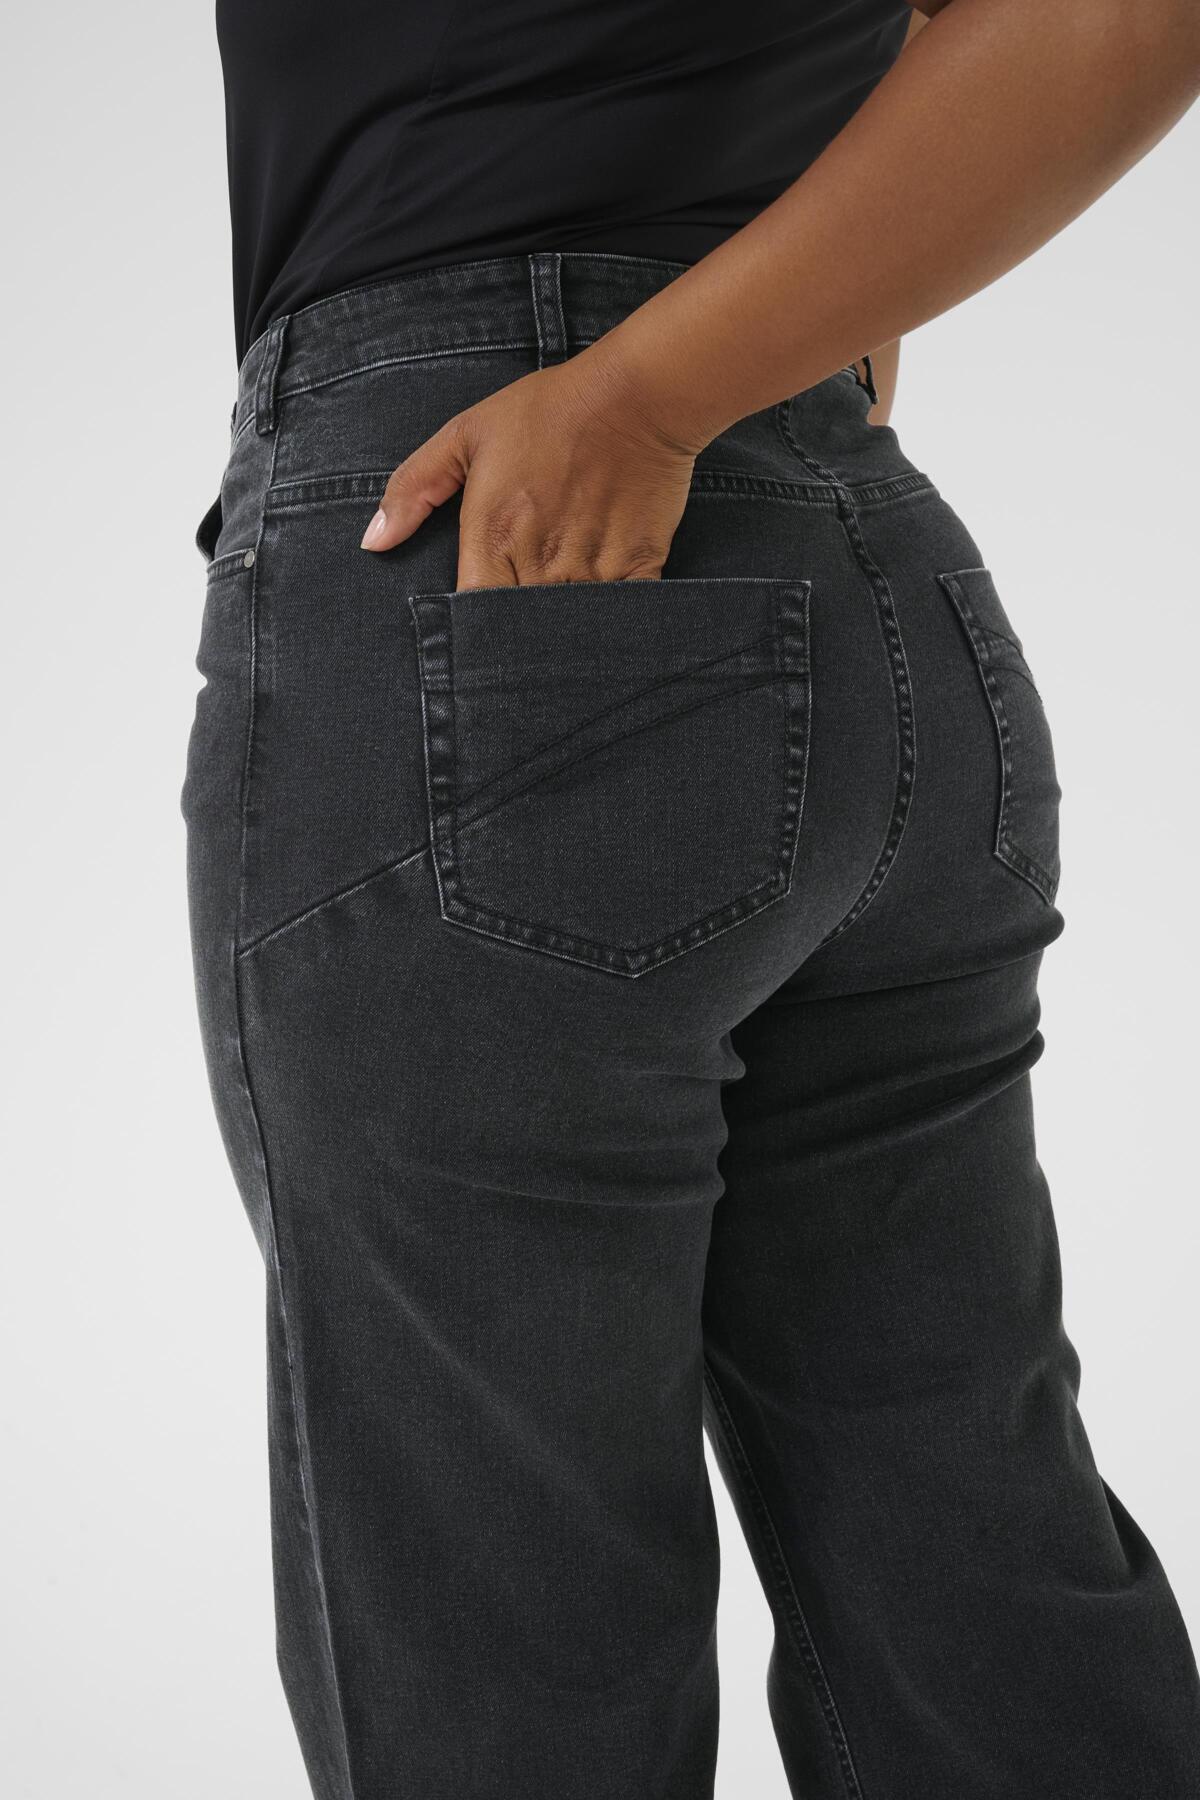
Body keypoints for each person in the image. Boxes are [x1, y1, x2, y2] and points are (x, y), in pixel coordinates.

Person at [182, 2, 1200, 1795]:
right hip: (861, 560)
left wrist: (648, 399)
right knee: (967, 1537)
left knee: (506, 1619)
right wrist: (741, 364)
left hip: (493, 538)